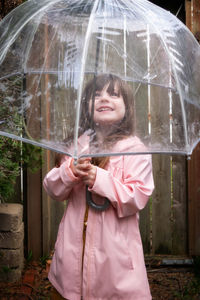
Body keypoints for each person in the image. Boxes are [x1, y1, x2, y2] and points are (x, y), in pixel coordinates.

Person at [43, 74, 154, 300]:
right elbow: (52, 188)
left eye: (113, 94)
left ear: (127, 107)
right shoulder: (77, 144)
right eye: (96, 95)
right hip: (72, 256)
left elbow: (137, 196)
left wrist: (99, 179)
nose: (104, 98)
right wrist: (70, 172)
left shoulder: (134, 149)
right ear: (87, 106)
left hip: (115, 262)